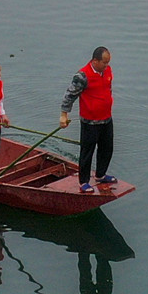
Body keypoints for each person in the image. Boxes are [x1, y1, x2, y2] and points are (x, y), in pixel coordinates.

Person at [59, 46, 118, 194]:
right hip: (90, 122)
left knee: (107, 148)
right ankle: (84, 181)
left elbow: (108, 88)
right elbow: (69, 95)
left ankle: (100, 175)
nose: (106, 65)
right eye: (104, 62)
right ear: (95, 60)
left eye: (108, 62)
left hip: (106, 119)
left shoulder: (108, 71)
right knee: (87, 151)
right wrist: (64, 115)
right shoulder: (82, 76)